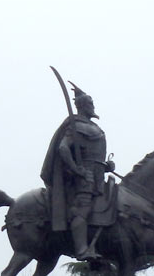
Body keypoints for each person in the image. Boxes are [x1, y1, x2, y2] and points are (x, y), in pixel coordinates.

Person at [40, 84, 115, 260]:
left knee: (106, 206)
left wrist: (107, 166)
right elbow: (63, 148)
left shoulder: (95, 127)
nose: (93, 106)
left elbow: (94, 157)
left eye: (92, 102)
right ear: (83, 106)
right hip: (84, 177)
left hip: (97, 176)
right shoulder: (75, 125)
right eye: (90, 103)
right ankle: (81, 249)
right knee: (83, 209)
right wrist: (76, 169)